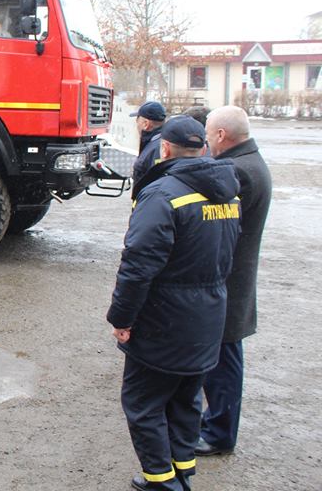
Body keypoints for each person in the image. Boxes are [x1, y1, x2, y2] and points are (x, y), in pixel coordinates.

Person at [106, 115, 241, 490]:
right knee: (185, 401)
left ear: (164, 148)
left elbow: (138, 264)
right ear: (201, 148)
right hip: (208, 316)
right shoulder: (228, 191)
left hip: (164, 321)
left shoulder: (163, 193)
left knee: (143, 403)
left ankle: (161, 481)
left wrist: (122, 317)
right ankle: (182, 473)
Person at [196, 106, 272, 457]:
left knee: (223, 362)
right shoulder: (251, 161)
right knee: (223, 356)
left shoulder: (238, 170)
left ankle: (219, 433)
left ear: (222, 135)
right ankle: (215, 424)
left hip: (228, 282)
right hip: (234, 279)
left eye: (209, 134)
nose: (207, 141)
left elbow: (212, 223)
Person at [129, 101, 167, 194]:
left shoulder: (156, 148)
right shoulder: (159, 142)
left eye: (137, 120)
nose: (136, 125)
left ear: (146, 124)